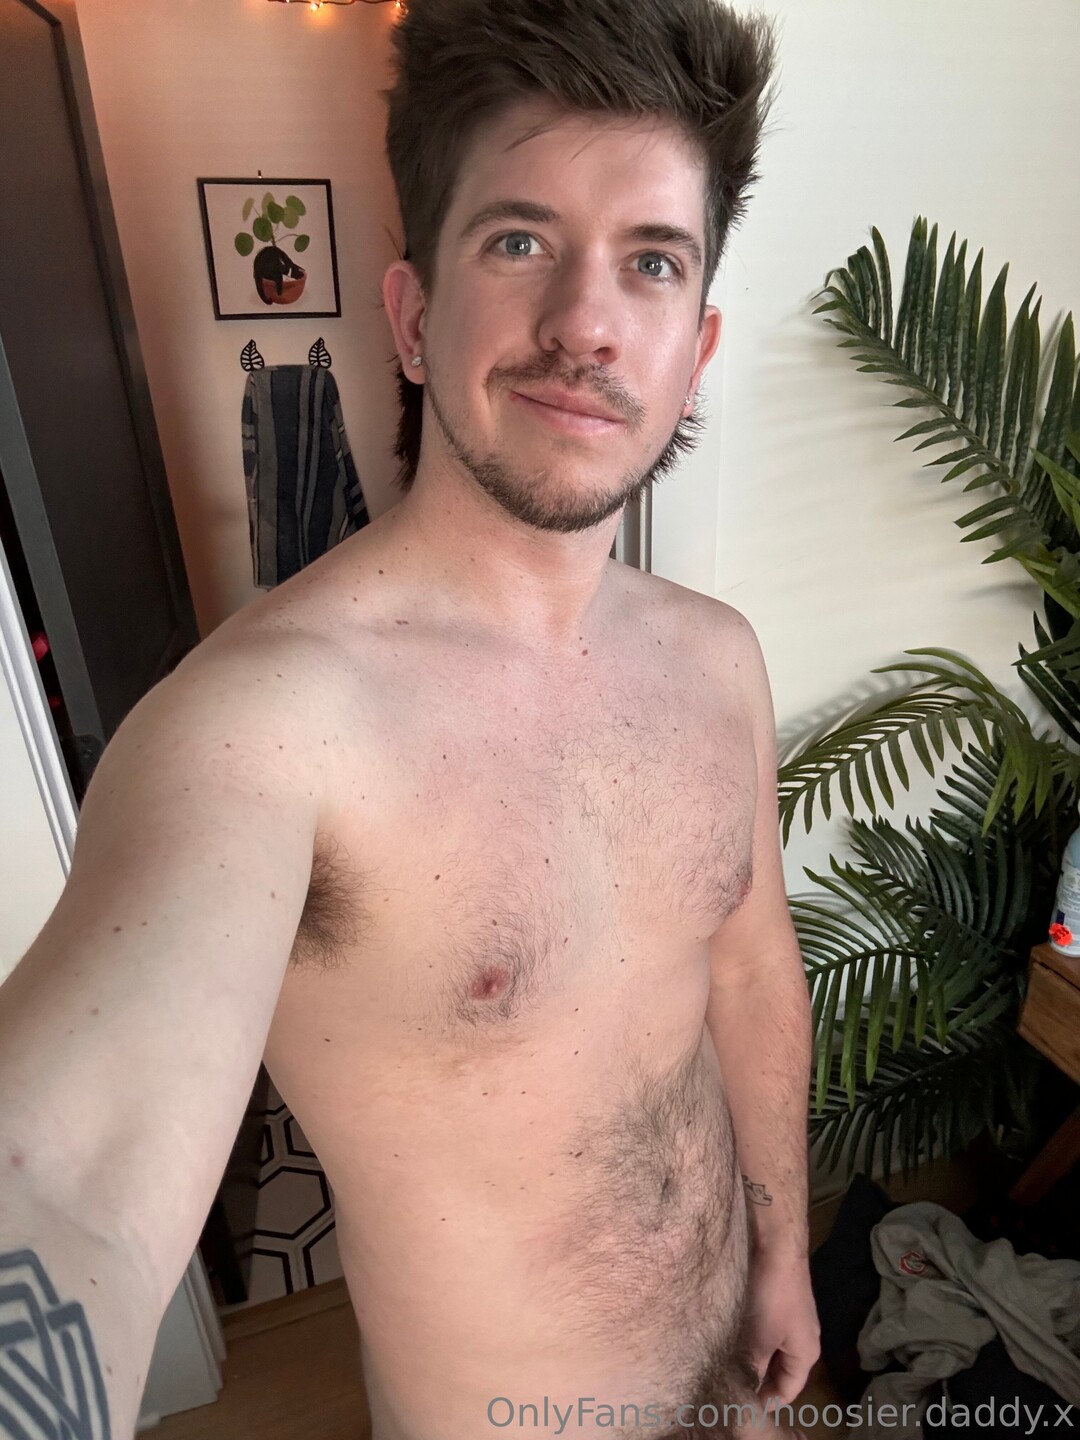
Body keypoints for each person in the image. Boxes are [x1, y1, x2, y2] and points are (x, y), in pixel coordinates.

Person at [0, 0, 819, 1434]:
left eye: (650, 262)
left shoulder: (718, 660)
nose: (584, 322)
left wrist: (786, 1257)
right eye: (519, 242)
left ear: (694, 349)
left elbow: (751, 977)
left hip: (735, 1390)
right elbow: (65, 1176)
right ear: (413, 317)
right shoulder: (261, 726)